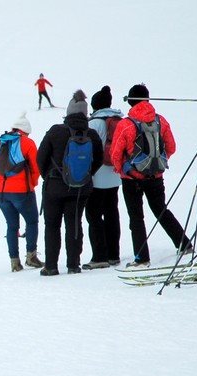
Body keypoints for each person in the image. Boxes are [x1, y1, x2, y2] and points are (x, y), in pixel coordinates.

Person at [111, 83, 192, 268]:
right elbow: (171, 147)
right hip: (156, 177)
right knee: (161, 210)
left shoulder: (126, 124)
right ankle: (184, 244)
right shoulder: (161, 121)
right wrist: (157, 164)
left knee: (136, 218)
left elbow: (116, 153)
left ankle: (142, 258)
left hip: (132, 179)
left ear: (131, 101)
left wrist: (123, 170)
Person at [36, 90, 104, 276]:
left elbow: (40, 158)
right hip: (81, 188)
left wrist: (48, 176)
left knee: (52, 225)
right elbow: (98, 160)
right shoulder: (92, 134)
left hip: (54, 187)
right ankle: (73, 264)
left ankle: (51, 266)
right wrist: (84, 176)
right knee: (74, 224)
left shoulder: (55, 131)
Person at [0, 112, 43, 272]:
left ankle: (14, 262)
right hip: (22, 191)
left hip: (1, 192)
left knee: (12, 226)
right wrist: (31, 184)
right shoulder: (28, 143)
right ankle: (31, 257)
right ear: (25, 130)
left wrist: (1, 184)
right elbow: (36, 167)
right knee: (32, 221)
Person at [83, 85, 124, 269]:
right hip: (116, 175)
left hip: (97, 177)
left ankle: (99, 256)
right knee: (112, 213)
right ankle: (114, 254)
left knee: (93, 215)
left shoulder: (94, 123)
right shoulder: (119, 120)